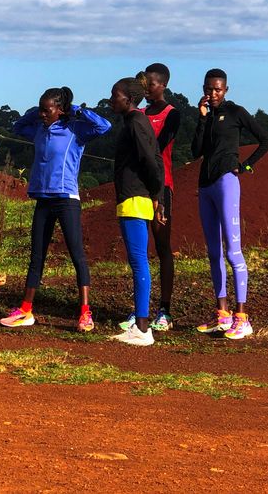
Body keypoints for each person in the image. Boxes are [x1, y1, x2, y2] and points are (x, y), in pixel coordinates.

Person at [0, 87, 111, 332]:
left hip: (66, 199)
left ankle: (85, 313)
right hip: (43, 198)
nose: (41, 114)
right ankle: (26, 311)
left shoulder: (75, 130)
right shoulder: (40, 129)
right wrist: (34, 111)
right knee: (36, 256)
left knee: (77, 255)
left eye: (46, 109)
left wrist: (76, 110)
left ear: (60, 110)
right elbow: (18, 126)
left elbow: (104, 126)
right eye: (40, 108)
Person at [192, 68, 268, 340]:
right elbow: (196, 151)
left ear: (225, 89)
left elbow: (266, 140)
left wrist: (246, 165)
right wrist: (201, 119)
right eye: (208, 88)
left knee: (232, 251)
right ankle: (222, 315)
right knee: (213, 252)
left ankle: (242, 318)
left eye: (217, 89)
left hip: (227, 181)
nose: (212, 94)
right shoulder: (208, 115)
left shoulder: (236, 112)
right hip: (205, 185)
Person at [119, 63, 180, 333]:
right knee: (139, 251)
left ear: (163, 85)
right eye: (144, 84)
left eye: (152, 84)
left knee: (162, 245)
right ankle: (140, 310)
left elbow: (156, 148)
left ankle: (164, 309)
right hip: (140, 187)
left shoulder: (171, 114)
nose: (147, 88)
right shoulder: (138, 114)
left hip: (160, 185)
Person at [108, 73, 165, 347]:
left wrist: (157, 194)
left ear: (128, 99)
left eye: (114, 96)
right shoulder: (136, 121)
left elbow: (151, 162)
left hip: (135, 199)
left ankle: (142, 328)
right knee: (138, 261)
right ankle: (140, 324)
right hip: (135, 197)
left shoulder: (135, 123)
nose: (110, 100)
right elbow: (154, 158)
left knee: (139, 262)